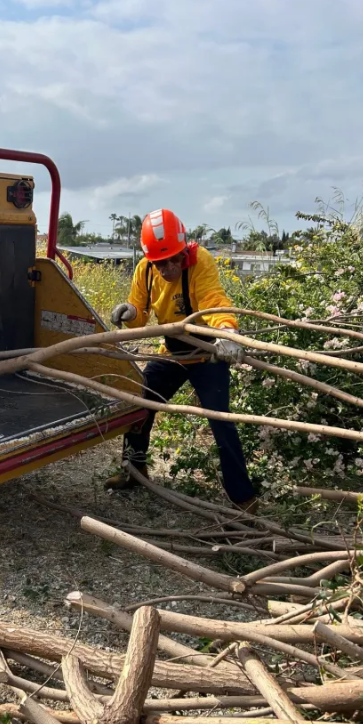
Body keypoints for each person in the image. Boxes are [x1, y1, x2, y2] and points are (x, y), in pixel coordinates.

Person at [105, 208, 257, 511]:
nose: (167, 268)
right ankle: (133, 471)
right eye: (160, 262)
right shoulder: (145, 270)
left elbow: (214, 302)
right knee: (140, 403)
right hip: (172, 353)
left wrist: (227, 333)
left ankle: (243, 500)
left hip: (207, 355)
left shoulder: (200, 262)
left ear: (183, 249)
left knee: (222, 423)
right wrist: (130, 312)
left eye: (173, 259)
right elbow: (139, 313)